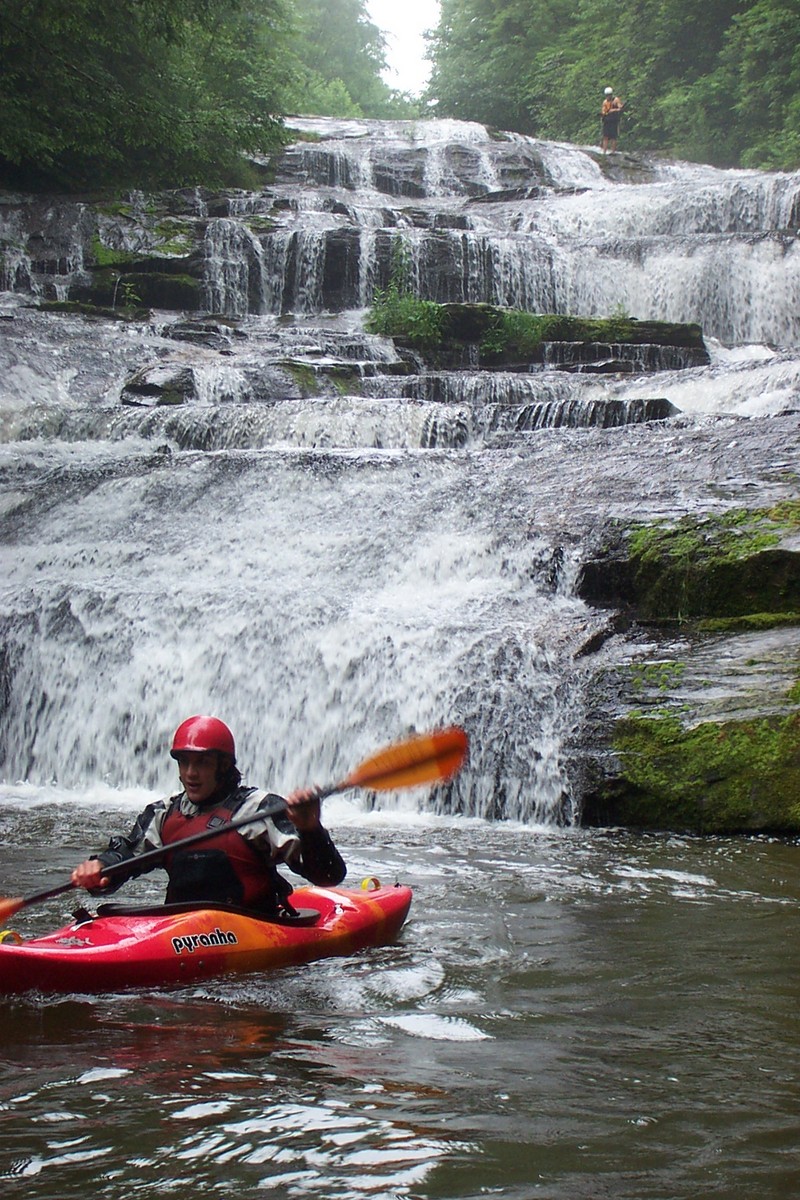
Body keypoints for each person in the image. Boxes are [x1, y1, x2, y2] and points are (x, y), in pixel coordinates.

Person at [71, 715, 346, 914]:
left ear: (224, 766)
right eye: (184, 762)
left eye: (202, 763)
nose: (191, 773)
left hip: (252, 927)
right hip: (179, 932)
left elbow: (328, 876)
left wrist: (310, 829)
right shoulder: (163, 814)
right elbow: (126, 857)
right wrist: (100, 869)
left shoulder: (259, 810)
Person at [600, 86, 624, 154]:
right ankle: (604, 152)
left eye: (609, 95)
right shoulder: (605, 102)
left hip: (614, 120)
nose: (608, 97)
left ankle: (613, 152)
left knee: (613, 137)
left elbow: (620, 109)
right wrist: (603, 114)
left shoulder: (616, 100)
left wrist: (613, 110)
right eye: (607, 95)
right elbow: (603, 110)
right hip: (607, 121)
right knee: (605, 136)